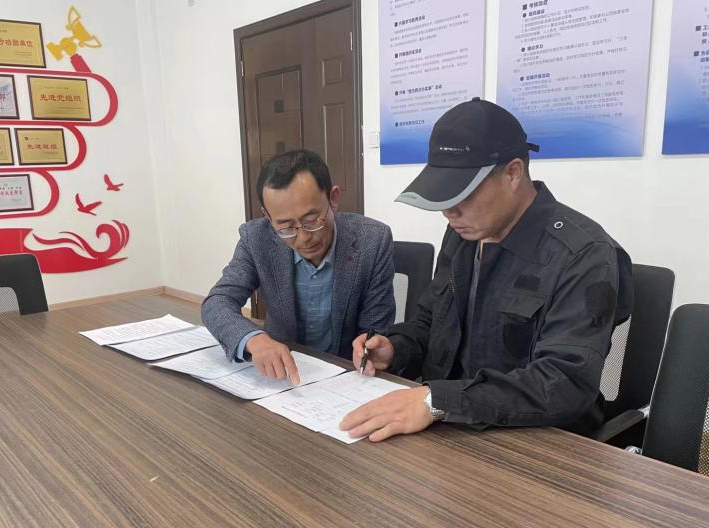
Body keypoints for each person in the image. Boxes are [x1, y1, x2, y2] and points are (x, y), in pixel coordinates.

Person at [340, 98, 633, 442]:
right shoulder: (463, 234)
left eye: (462, 194)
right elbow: (431, 321)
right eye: (444, 196)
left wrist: (437, 401)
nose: (449, 211)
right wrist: (395, 347)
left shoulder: (582, 254)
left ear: (513, 173)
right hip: (451, 426)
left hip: (537, 441)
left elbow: (564, 383)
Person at [202, 149, 395, 383]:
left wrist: (369, 346)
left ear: (333, 199)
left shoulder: (372, 241)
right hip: (281, 376)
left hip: (344, 375)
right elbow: (217, 302)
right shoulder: (256, 239)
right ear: (268, 216)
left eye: (311, 220)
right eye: (286, 227)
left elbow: (375, 329)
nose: (304, 238)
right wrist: (254, 339)